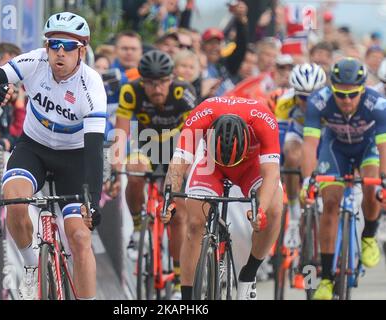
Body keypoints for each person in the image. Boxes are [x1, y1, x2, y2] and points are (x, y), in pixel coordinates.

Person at [0, 12, 107, 300]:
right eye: (54, 44)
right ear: (46, 46)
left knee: (79, 237)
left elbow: (94, 149)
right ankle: (31, 269)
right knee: (14, 202)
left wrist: (92, 199)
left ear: (82, 49)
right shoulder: (33, 62)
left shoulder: (91, 85)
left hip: (75, 157)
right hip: (34, 148)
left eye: (68, 46)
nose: (59, 52)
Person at [162, 96, 282, 300]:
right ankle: (187, 299)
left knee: (273, 211)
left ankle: (249, 273)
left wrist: (259, 209)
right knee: (194, 224)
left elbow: (271, 174)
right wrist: (169, 202)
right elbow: (178, 164)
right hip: (211, 164)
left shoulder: (264, 119)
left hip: (250, 166)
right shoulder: (203, 113)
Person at [112, 49, 197, 299]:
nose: (156, 88)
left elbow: (194, 134)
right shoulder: (131, 91)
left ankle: (181, 279)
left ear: (171, 79)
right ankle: (139, 228)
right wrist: (116, 169)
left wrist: (184, 169)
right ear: (142, 81)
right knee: (134, 169)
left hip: (178, 148)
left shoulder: (184, 92)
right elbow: (121, 134)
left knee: (178, 213)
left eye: (161, 82)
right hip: (146, 147)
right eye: (150, 83)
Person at [301, 58, 386, 300]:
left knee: (371, 188)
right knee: (329, 203)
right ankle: (326, 278)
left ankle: (369, 235)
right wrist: (309, 180)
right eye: (340, 94)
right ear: (331, 89)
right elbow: (310, 145)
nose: (346, 101)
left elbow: (383, 147)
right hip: (335, 148)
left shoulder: (378, 104)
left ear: (362, 89)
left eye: (352, 95)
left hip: (367, 148)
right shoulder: (318, 102)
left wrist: (384, 180)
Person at [275, 63, 326, 248]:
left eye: (312, 96)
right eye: (302, 97)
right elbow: (279, 139)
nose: (307, 102)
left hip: (323, 137)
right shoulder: (284, 102)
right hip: (297, 133)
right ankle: (295, 211)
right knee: (292, 155)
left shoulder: (330, 102)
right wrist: (280, 167)